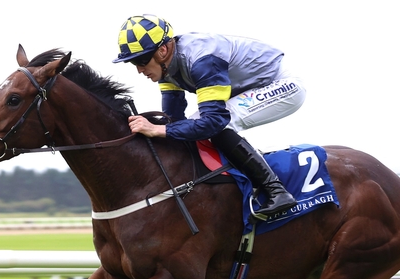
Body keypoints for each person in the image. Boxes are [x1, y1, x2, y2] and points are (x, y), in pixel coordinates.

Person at [112, 14, 307, 218]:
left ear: (163, 50)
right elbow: (175, 119)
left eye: (141, 60)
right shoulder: (167, 68)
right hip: (249, 86)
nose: (139, 70)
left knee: (219, 124)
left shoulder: (202, 60)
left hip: (282, 84)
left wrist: (157, 129)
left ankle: (277, 191)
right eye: (132, 62)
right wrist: (157, 129)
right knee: (191, 126)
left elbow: (213, 122)